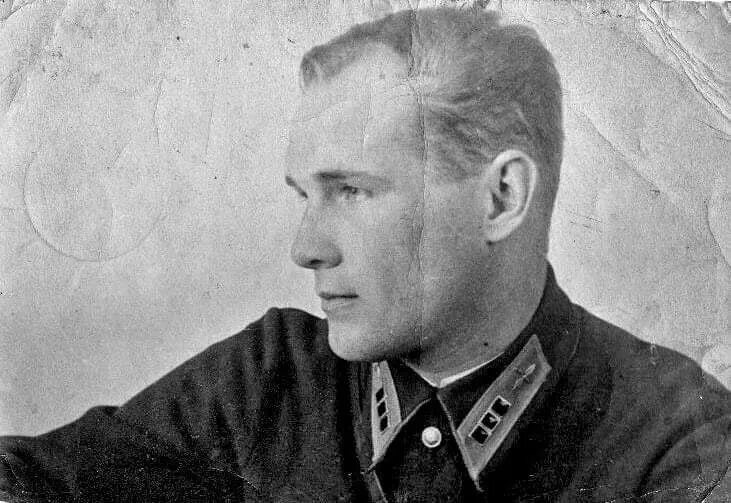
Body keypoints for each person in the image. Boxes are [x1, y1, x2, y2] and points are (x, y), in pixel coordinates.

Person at [0, 7, 728, 503]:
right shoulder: (270, 377)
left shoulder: (679, 436)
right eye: (306, 195)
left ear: (501, 197)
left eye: (351, 190)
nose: (306, 248)